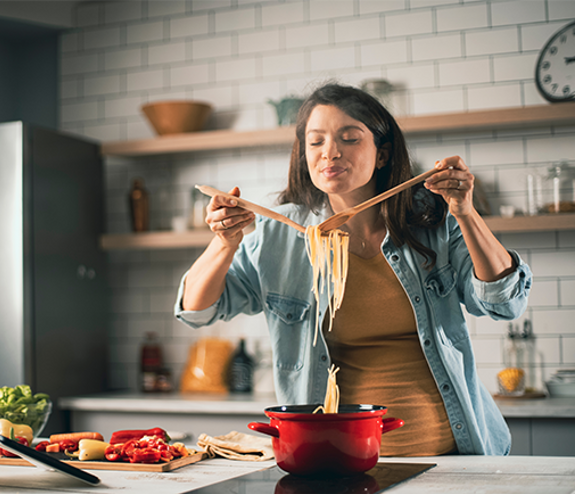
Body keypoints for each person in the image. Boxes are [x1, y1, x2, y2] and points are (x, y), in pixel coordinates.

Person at [174, 83, 532, 456]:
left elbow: (504, 304)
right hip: (336, 457)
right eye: (316, 142)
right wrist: (223, 243)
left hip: (456, 453)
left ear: (382, 154)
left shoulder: (432, 218)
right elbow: (198, 311)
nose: (330, 152)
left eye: (349, 138)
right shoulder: (280, 232)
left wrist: (465, 212)